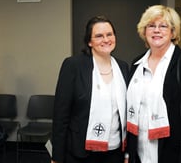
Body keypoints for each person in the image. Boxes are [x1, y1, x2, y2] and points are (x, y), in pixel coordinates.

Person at [126, 5, 181, 163]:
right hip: (140, 152)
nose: (156, 30)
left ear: (173, 32)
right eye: (151, 26)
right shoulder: (137, 65)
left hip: (175, 154)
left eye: (163, 26)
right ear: (144, 31)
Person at [51, 15, 129, 163]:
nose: (106, 40)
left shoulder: (123, 67)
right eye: (99, 36)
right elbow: (60, 115)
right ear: (89, 41)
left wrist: (127, 154)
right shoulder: (73, 65)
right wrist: (57, 157)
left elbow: (127, 114)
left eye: (109, 34)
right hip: (80, 152)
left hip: (115, 152)